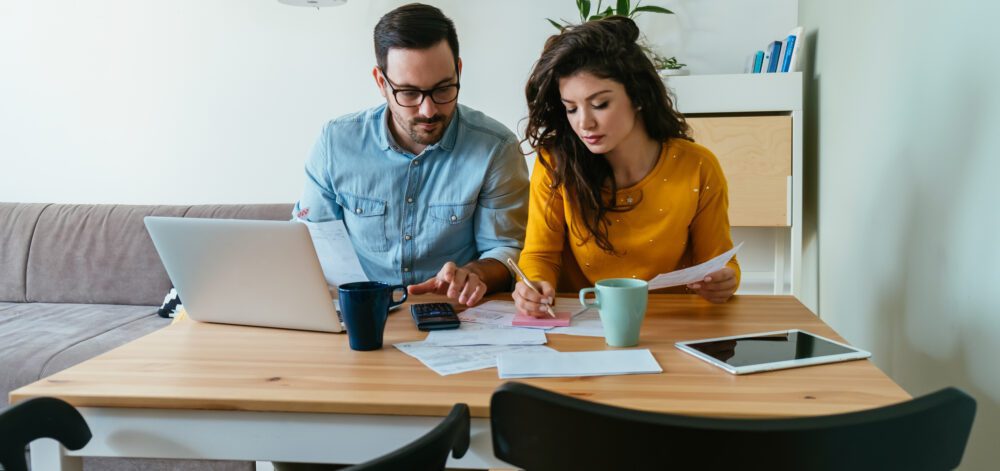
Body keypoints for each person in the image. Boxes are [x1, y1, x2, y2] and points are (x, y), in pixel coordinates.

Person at [294, 3, 528, 307]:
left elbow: (507, 250)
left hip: (454, 315)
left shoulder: (496, 148)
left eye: (443, 89)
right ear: (381, 83)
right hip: (359, 314)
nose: (428, 110)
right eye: (408, 93)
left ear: (458, 70)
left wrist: (475, 274)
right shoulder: (335, 144)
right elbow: (311, 241)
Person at [513, 16, 740, 318]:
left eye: (600, 104)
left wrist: (726, 280)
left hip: (672, 325)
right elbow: (540, 254)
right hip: (581, 321)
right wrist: (534, 286)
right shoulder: (555, 162)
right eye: (571, 108)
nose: (584, 123)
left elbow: (718, 260)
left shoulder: (697, 166)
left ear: (638, 97)